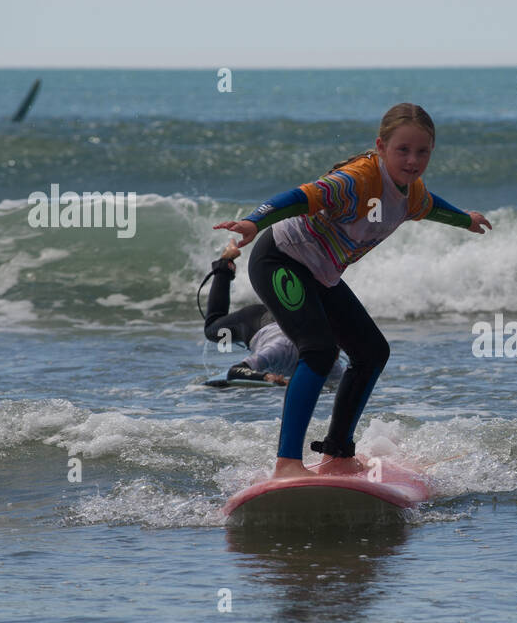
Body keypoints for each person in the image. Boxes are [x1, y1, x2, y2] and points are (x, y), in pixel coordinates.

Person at [214, 103, 490, 479]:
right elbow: (299, 196)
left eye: (422, 151)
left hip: (322, 273)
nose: (412, 160)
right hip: (281, 260)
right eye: (402, 150)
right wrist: (253, 220)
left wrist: (465, 220)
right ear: (381, 146)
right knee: (319, 350)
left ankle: (338, 453)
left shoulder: (410, 193)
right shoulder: (357, 180)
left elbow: (429, 207)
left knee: (372, 352)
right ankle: (287, 464)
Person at [200, 241, 299, 385]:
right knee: (212, 329)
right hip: (252, 321)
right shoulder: (280, 348)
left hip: (279, 319)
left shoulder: (328, 359)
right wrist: (266, 377)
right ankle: (225, 262)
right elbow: (235, 371)